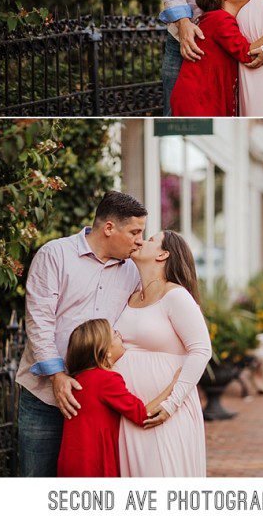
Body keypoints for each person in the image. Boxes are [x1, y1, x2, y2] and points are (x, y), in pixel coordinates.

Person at [16, 191, 174, 477]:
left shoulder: (132, 271)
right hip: (44, 396)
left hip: (96, 401)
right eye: (135, 232)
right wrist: (57, 376)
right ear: (109, 228)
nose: (140, 241)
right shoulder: (55, 255)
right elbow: (39, 320)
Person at [113, 231, 212, 477]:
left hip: (167, 413)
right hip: (130, 415)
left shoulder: (176, 296)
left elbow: (201, 350)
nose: (139, 241)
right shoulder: (131, 296)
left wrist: (170, 404)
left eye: (150, 240)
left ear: (163, 254)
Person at [56, 319, 178, 477]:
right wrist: (174, 385)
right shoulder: (106, 380)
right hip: (94, 465)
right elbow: (142, 415)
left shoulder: (77, 379)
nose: (120, 335)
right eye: (114, 334)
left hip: (70, 462)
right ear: (105, 350)